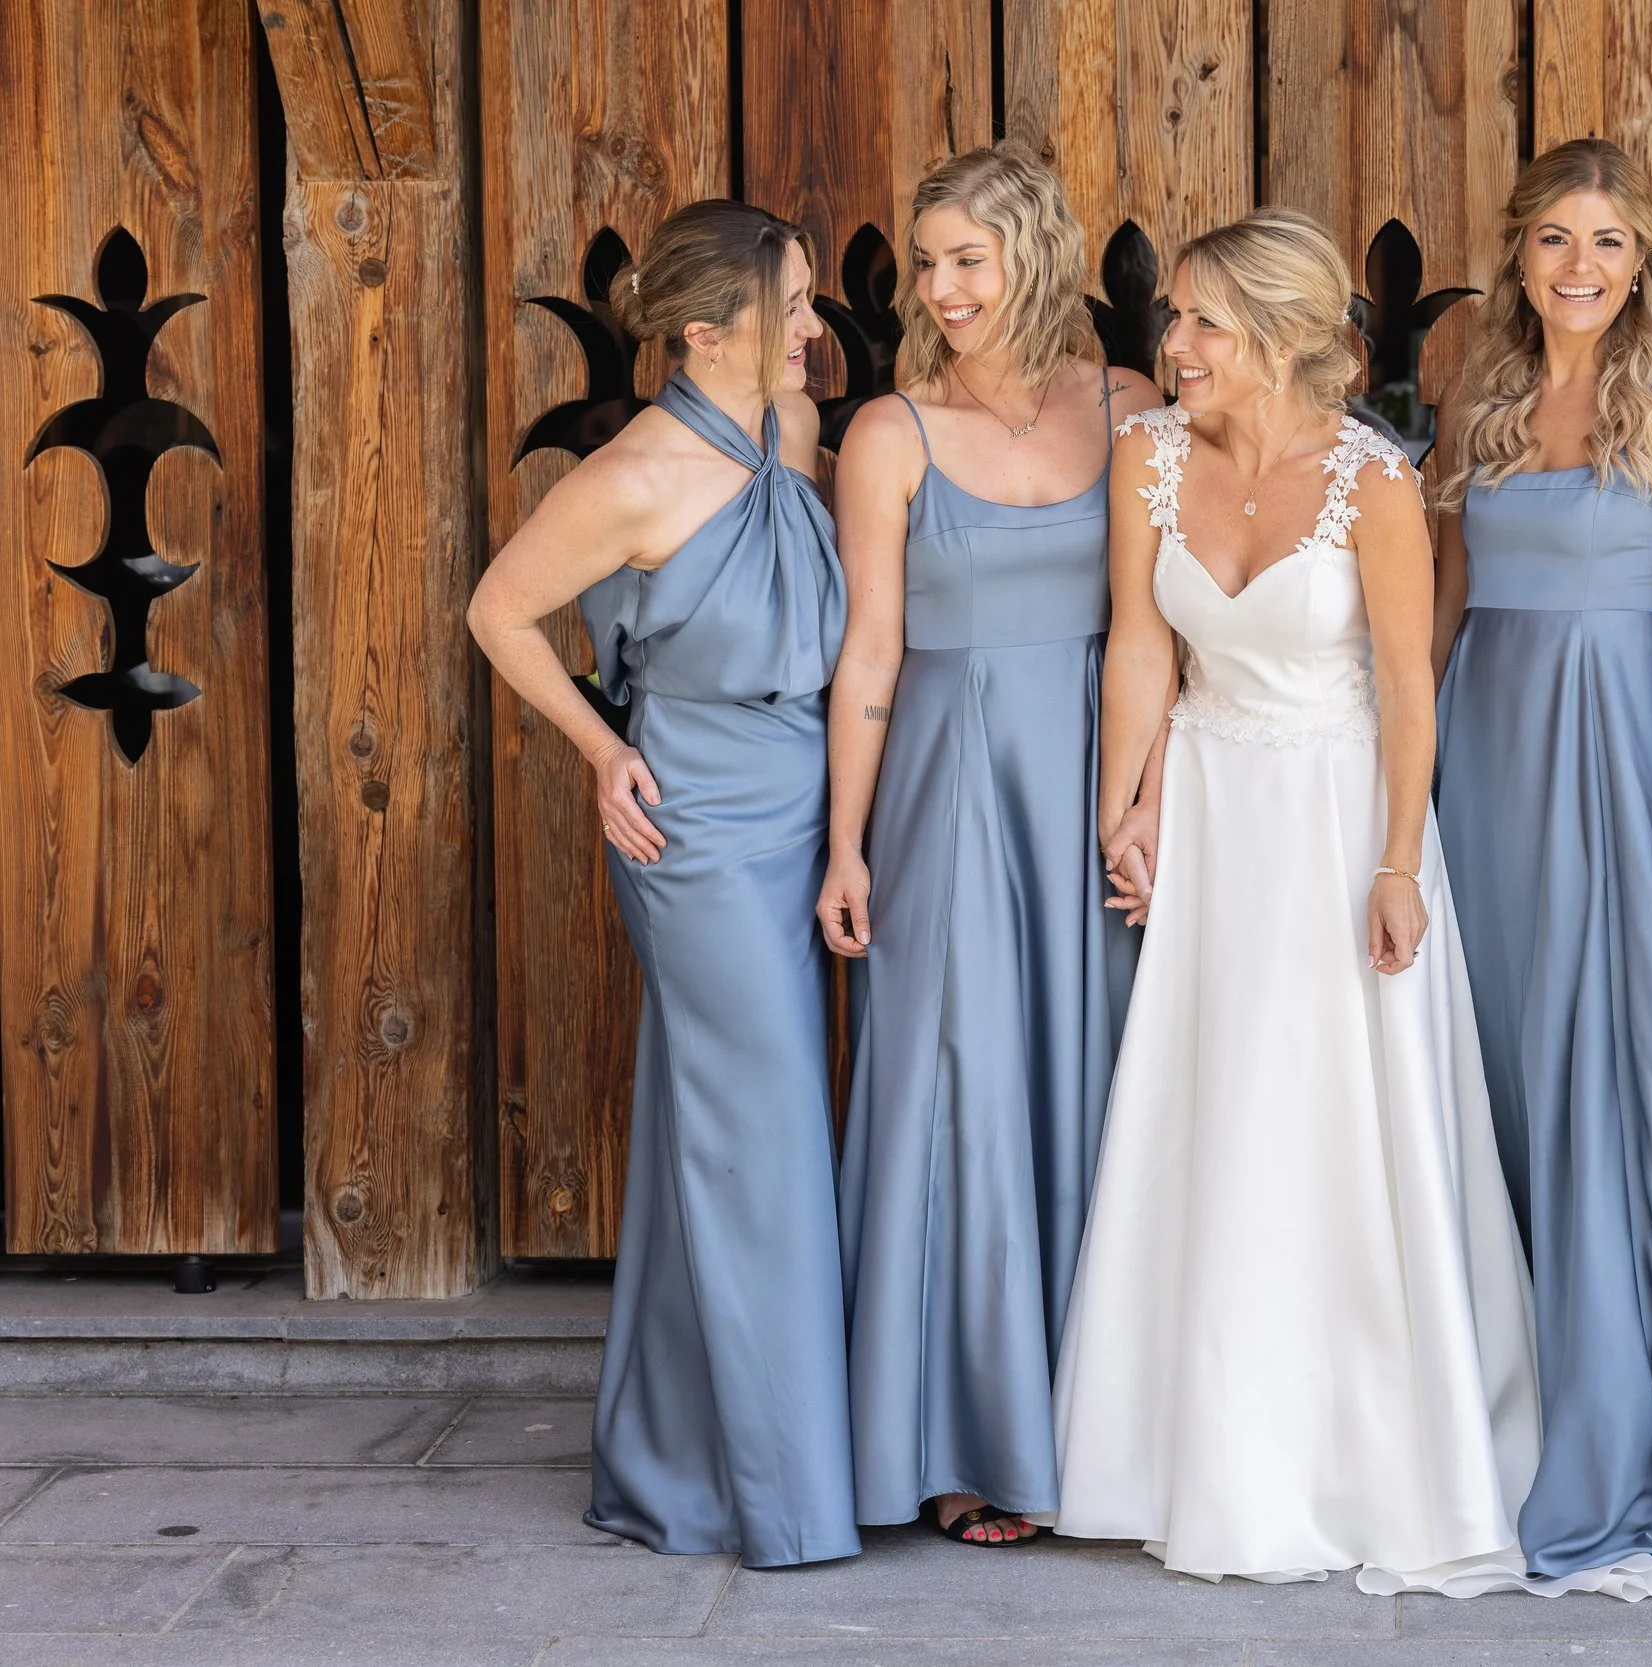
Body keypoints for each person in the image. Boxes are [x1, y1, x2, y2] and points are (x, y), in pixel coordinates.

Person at [1046, 209, 1539, 1593]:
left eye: (1201, 322)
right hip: (1212, 814)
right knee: (1215, 1118)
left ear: (1276, 336)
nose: (1173, 346)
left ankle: (1372, 1446)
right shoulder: (1145, 459)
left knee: (1334, 1116)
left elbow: (1403, 683)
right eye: (1177, 320)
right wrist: (1125, 805)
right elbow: (1141, 644)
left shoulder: (1373, 483)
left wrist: (1397, 861)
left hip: (1336, 821)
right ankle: (1186, 1445)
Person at [466, 199, 856, 1567]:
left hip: (807, 794)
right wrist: (598, 747)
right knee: (762, 1131)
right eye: (793, 308)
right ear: (707, 334)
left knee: (725, 1125)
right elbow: (497, 609)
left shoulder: (792, 433)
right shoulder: (631, 475)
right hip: (692, 823)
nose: (815, 328)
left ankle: (672, 1461)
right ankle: (788, 1497)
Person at [1431, 137, 1652, 1596]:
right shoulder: (1481, 393)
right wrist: (1407, 793)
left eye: (1610, 243)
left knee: (1610, 1075)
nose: (1581, 267)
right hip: (1486, 754)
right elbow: (1439, 603)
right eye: (1557, 239)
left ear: (1646, 262)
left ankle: (1629, 1433)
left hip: (1622, 752)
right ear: (1518, 252)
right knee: (1497, 1064)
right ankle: (1495, 1416)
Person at [823, 147, 1161, 1547]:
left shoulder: (1134, 408)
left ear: (1034, 254)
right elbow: (870, 655)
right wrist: (844, 846)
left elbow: (1173, 621)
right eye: (927, 262)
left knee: (1093, 1078)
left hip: (1092, 776)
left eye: (970, 257)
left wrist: (1151, 797)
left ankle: (1097, 1424)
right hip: (951, 787)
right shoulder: (891, 433)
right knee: (957, 1091)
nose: (943, 288)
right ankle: (964, 1435)